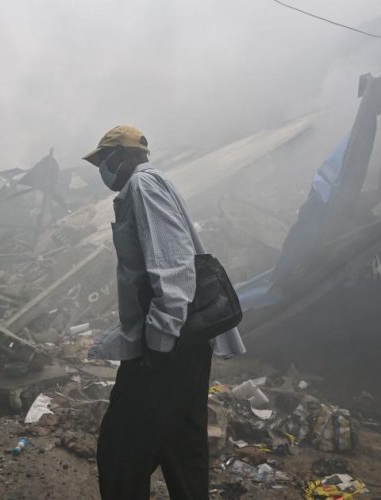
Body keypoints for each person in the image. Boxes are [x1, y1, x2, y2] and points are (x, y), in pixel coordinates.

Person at [83, 125, 246, 499]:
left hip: (170, 343)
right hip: (186, 342)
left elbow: (173, 268)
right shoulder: (152, 184)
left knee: (120, 450)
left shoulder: (143, 186)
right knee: (182, 447)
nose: (101, 170)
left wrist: (159, 342)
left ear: (122, 157)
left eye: (104, 161)